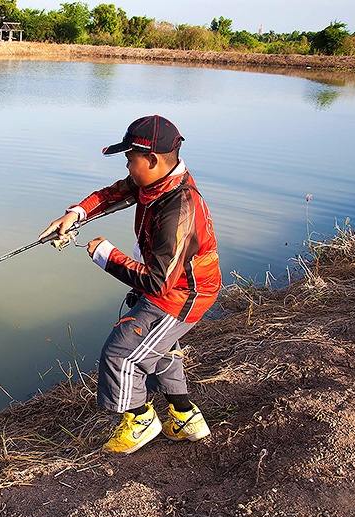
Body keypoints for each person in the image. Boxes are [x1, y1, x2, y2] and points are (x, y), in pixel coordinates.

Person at [39, 115, 221, 454]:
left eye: (130, 160)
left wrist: (106, 255)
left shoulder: (178, 208)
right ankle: (185, 418)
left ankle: (140, 419)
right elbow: (112, 194)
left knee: (120, 353)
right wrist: (76, 214)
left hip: (184, 294)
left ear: (151, 160)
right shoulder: (156, 181)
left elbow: (157, 283)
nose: (127, 166)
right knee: (159, 348)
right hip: (174, 285)